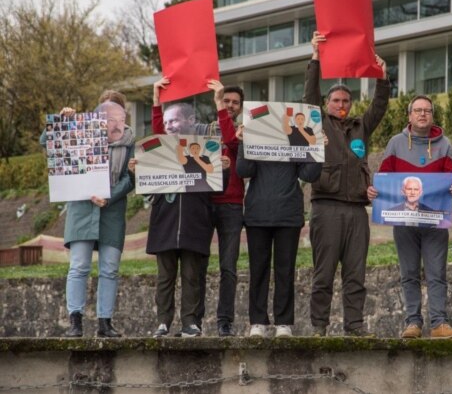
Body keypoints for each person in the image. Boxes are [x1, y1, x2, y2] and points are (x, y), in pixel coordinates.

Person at [304, 31, 390, 337]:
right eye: (336, 100)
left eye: (346, 101)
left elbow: (379, 107)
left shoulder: (360, 128)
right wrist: (315, 57)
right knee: (323, 274)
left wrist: (382, 77)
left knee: (356, 275)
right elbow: (309, 96)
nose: (341, 104)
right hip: (325, 208)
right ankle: (319, 328)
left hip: (356, 211)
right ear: (327, 103)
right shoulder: (317, 122)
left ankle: (354, 326)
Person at [135, 80, 230, 338]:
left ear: (190, 120)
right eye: (166, 123)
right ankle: (163, 322)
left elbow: (218, 189)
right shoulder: (157, 151)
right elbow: (146, 188)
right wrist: (138, 171)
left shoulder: (206, 148)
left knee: (192, 277)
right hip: (164, 222)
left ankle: (191, 322)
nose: (169, 127)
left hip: (194, 222)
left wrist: (225, 168)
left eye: (174, 121)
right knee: (165, 279)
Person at [367, 95, 452, 339]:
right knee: (408, 273)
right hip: (404, 222)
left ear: (432, 115)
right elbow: (386, 179)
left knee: (436, 273)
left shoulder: (445, 145)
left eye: (427, 111)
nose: (422, 114)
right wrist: (375, 191)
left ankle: (439, 323)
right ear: (409, 115)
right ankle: (413, 323)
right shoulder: (396, 143)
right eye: (418, 110)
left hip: (435, 221)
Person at [44, 101, 134, 338]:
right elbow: (47, 143)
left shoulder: (129, 144)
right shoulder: (77, 131)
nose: (115, 123)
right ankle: (76, 322)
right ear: (99, 119)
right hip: (81, 210)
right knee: (79, 266)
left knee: (110, 269)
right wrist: (63, 120)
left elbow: (130, 178)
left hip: (112, 213)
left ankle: (105, 323)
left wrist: (110, 197)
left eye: (119, 118)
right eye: (109, 118)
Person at [236, 125, 322, 338]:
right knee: (258, 270)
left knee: (285, 271)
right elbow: (243, 170)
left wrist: (317, 147)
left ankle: (284, 322)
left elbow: (310, 174)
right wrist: (243, 141)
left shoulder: (295, 143)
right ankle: (258, 322)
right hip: (258, 214)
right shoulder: (254, 140)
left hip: (288, 215)